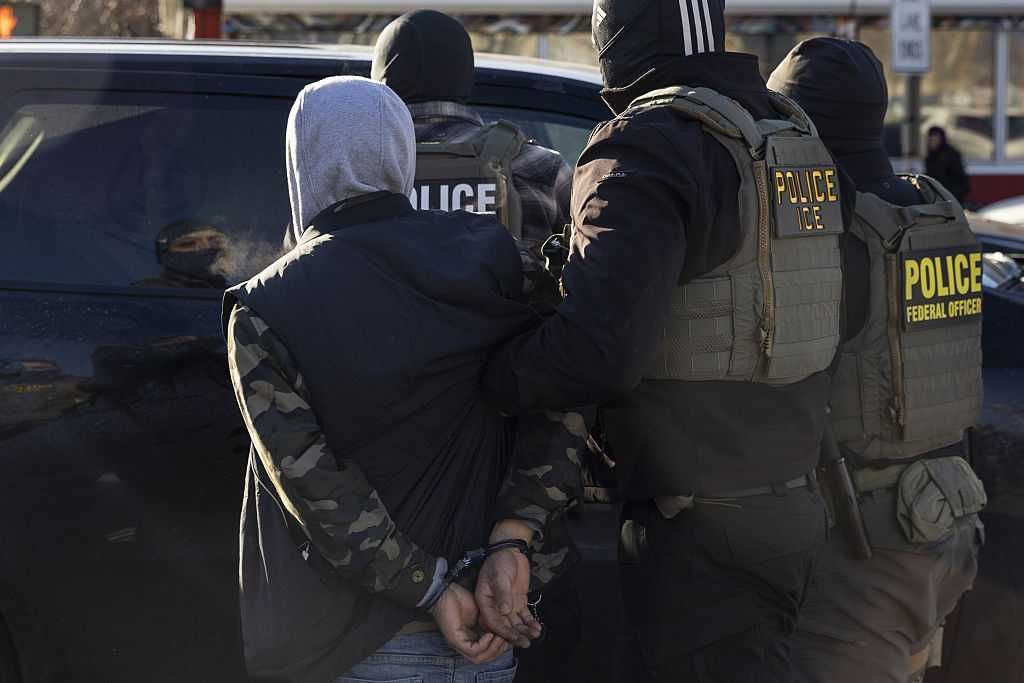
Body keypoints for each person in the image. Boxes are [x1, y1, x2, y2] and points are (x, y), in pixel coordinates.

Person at [477, 1, 857, 680]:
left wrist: (490, 375)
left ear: (613, 33)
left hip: (700, 533)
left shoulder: (648, 144)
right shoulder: (788, 132)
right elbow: (839, 308)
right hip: (797, 509)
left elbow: (598, 351)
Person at [223, 76, 581, 683]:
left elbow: (316, 489)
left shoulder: (266, 307)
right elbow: (564, 390)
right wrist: (514, 538)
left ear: (301, 161)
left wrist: (430, 587)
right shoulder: (497, 259)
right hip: (492, 618)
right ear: (400, 154)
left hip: (353, 643)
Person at [769, 38, 986, 683]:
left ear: (801, 123)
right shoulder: (932, 211)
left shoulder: (838, 236)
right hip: (945, 517)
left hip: (869, 543)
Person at [370, 9, 573, 307]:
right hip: (508, 336)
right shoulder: (540, 166)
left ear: (380, 79)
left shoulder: (353, 170)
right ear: (464, 73)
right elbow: (592, 277)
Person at [134, 219, 231, 289]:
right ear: (167, 255)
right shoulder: (146, 293)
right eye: (188, 243)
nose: (206, 247)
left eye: (216, 242)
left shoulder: (235, 295)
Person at [925, 125, 970, 203]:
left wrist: (952, 196)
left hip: (951, 197)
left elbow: (961, 180)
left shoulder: (951, 155)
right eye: (930, 140)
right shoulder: (930, 156)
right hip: (937, 197)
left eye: (934, 140)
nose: (932, 143)